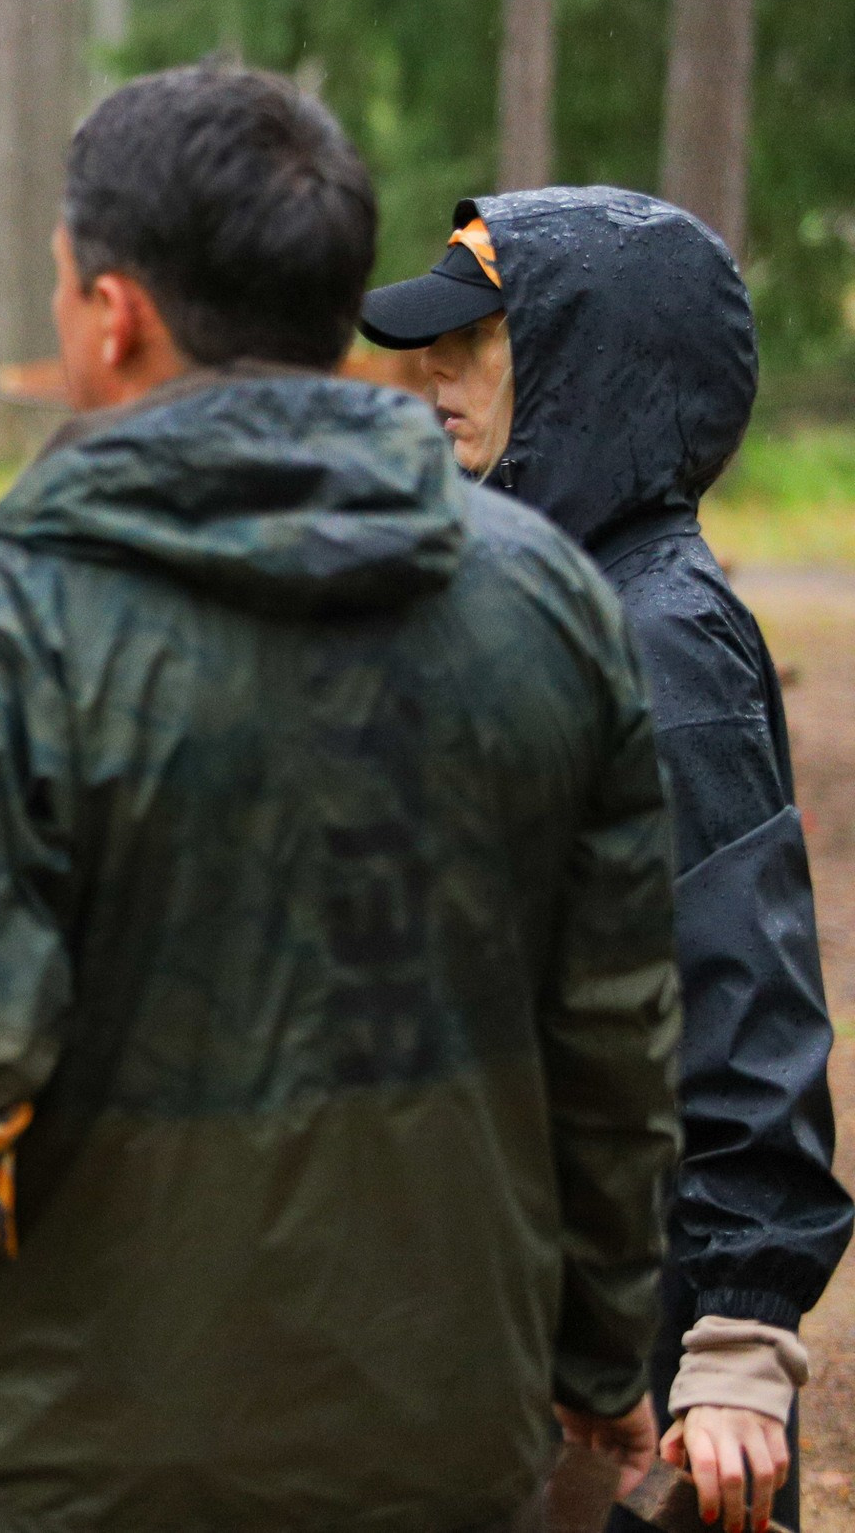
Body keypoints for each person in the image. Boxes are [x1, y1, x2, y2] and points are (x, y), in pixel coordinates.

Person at [0, 65, 684, 1533]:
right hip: (442, 1441)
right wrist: (607, 1354)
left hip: (86, 1455)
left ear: (113, 316)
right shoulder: (547, 600)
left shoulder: (3, 628)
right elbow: (611, 1045)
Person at [360, 189, 851, 1533]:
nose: (434, 370)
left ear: (584, 365)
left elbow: (743, 989)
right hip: (535, 1330)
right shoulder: (542, 608)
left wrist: (743, 1338)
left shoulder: (662, 637)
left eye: (478, 337)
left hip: (661, 1368)